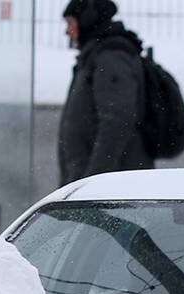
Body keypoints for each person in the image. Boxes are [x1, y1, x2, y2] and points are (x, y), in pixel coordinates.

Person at [58, 0, 151, 186]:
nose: (67, 31)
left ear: (85, 21)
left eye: (70, 23)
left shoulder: (110, 57)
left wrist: (93, 182)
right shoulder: (96, 56)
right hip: (99, 187)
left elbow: (116, 121)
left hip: (112, 192)